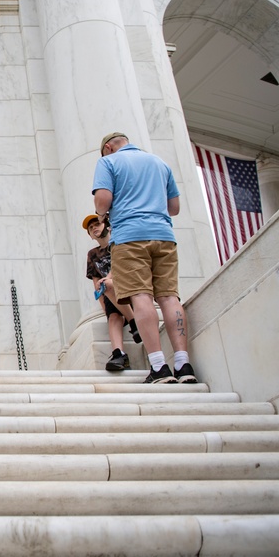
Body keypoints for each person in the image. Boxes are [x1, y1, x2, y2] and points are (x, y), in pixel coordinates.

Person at [93, 132, 198, 384]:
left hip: (130, 237)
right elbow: (174, 208)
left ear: (108, 147)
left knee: (141, 297)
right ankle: (183, 364)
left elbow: (102, 201)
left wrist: (101, 211)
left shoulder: (108, 162)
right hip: (163, 235)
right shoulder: (160, 163)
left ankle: (159, 367)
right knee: (170, 298)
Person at [83, 213, 142, 371]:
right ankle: (119, 354)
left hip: (128, 284)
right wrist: (104, 306)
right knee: (113, 317)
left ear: (107, 226)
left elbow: (120, 265)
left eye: (97, 224)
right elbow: (96, 282)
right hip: (109, 291)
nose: (94, 228)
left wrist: (106, 280)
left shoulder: (118, 241)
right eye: (90, 228)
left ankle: (133, 321)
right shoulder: (92, 254)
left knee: (107, 283)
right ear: (90, 235)